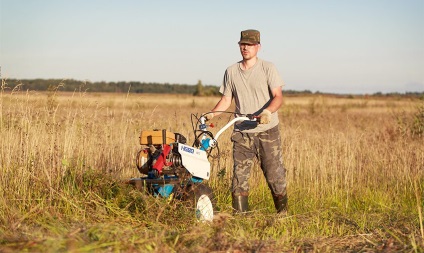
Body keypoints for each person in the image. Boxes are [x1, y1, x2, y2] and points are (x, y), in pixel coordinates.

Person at [205, 29, 287, 214]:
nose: (245, 47)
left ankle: (283, 215)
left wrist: (267, 112)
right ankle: (241, 220)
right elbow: (226, 100)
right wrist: (210, 115)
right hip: (242, 132)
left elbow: (278, 97)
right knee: (239, 178)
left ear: (258, 47)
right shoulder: (231, 71)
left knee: (274, 175)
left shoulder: (268, 68)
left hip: (267, 130)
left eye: (250, 44)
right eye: (243, 44)